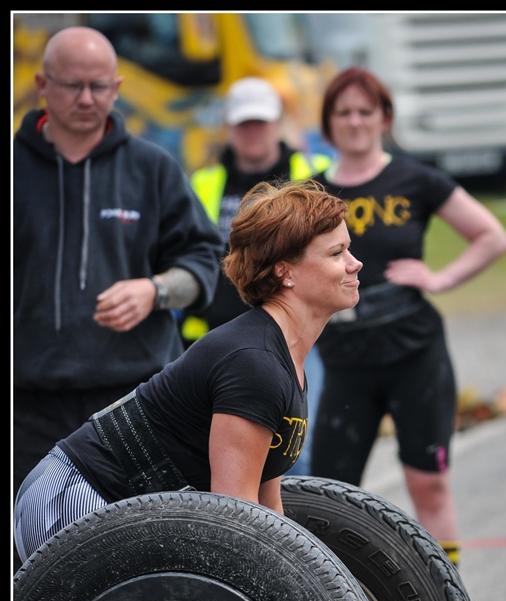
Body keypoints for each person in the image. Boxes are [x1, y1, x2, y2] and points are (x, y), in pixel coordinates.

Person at [14, 180, 360, 563]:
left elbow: (267, 509)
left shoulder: (283, 357)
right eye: (336, 252)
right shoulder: (253, 363)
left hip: (124, 506)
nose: (354, 263)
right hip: (78, 495)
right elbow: (235, 517)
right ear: (285, 273)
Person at [311, 67, 506, 567]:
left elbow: (492, 237)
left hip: (414, 353)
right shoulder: (310, 194)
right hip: (344, 362)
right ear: (329, 123)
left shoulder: (415, 179)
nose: (355, 122)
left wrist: (440, 278)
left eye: (365, 111)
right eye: (344, 112)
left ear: (385, 118)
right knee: (328, 496)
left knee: (430, 484)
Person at [13, 26, 222, 496]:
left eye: (99, 86)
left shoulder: (153, 167)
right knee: (31, 553)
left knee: (141, 546)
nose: (87, 98)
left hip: (134, 401)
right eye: (72, 85)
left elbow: (204, 256)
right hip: (26, 405)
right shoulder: (15, 169)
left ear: (117, 87)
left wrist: (156, 290)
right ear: (42, 85)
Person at [184, 77, 331, 475]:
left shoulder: (312, 176)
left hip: (293, 336)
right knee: (227, 453)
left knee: (292, 451)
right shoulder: (203, 184)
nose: (252, 133)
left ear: (276, 123)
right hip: (222, 336)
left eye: (260, 123)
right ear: (229, 127)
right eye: (244, 124)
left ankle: (293, 536)